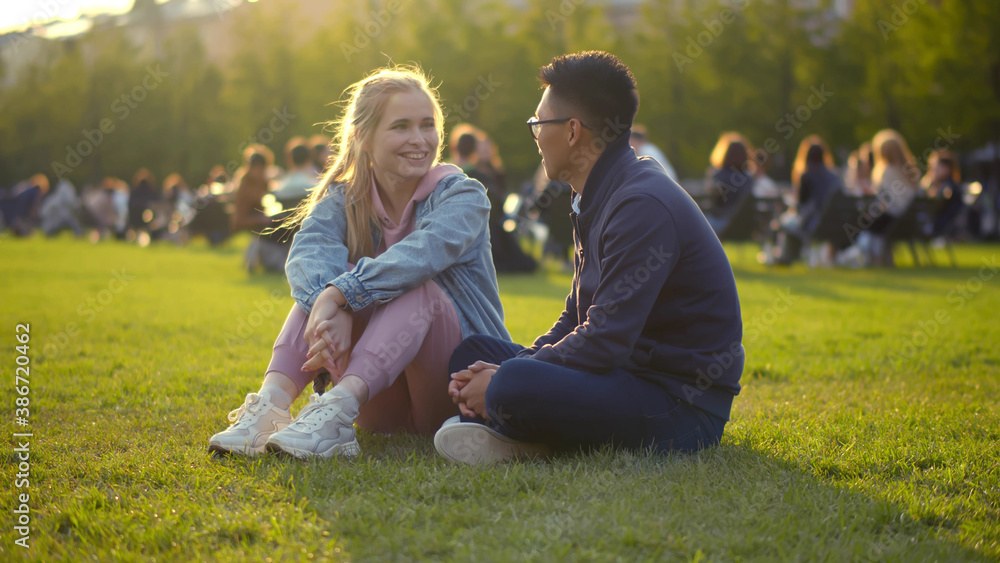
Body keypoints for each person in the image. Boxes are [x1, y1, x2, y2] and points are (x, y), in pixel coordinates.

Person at [433, 51, 744, 464]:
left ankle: (517, 430)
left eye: (537, 124)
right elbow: (576, 318)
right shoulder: (596, 193)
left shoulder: (641, 204)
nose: (536, 135)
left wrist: (505, 379)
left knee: (513, 382)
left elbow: (605, 341)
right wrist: (505, 368)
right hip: (624, 377)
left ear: (573, 131)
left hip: (679, 406)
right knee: (472, 354)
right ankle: (519, 428)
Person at [208, 65, 510, 459]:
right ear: (364, 138)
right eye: (401, 126)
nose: (419, 139)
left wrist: (343, 295)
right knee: (323, 289)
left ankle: (337, 406)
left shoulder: (463, 196)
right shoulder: (345, 198)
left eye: (427, 125)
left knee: (407, 285)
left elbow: (421, 254)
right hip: (379, 407)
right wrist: (332, 302)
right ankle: (270, 407)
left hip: (456, 392)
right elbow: (309, 251)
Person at [776, 136, 842, 266]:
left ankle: (785, 256)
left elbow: (801, 205)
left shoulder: (806, 175)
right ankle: (788, 256)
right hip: (833, 223)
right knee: (790, 223)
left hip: (812, 222)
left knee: (783, 222)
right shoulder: (834, 177)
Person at [868, 129, 920, 266]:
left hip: (894, 218)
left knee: (867, 221)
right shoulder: (911, 169)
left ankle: (873, 259)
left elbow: (881, 199)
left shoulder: (885, 172)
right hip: (910, 220)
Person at [703, 132, 755, 234]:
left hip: (719, 223)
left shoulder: (718, 176)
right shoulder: (749, 178)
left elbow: (711, 199)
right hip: (745, 228)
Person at [921, 149, 964, 239]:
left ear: (947, 169)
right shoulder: (927, 184)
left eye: (937, 167)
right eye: (932, 167)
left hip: (939, 227)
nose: (933, 170)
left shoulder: (951, 189)